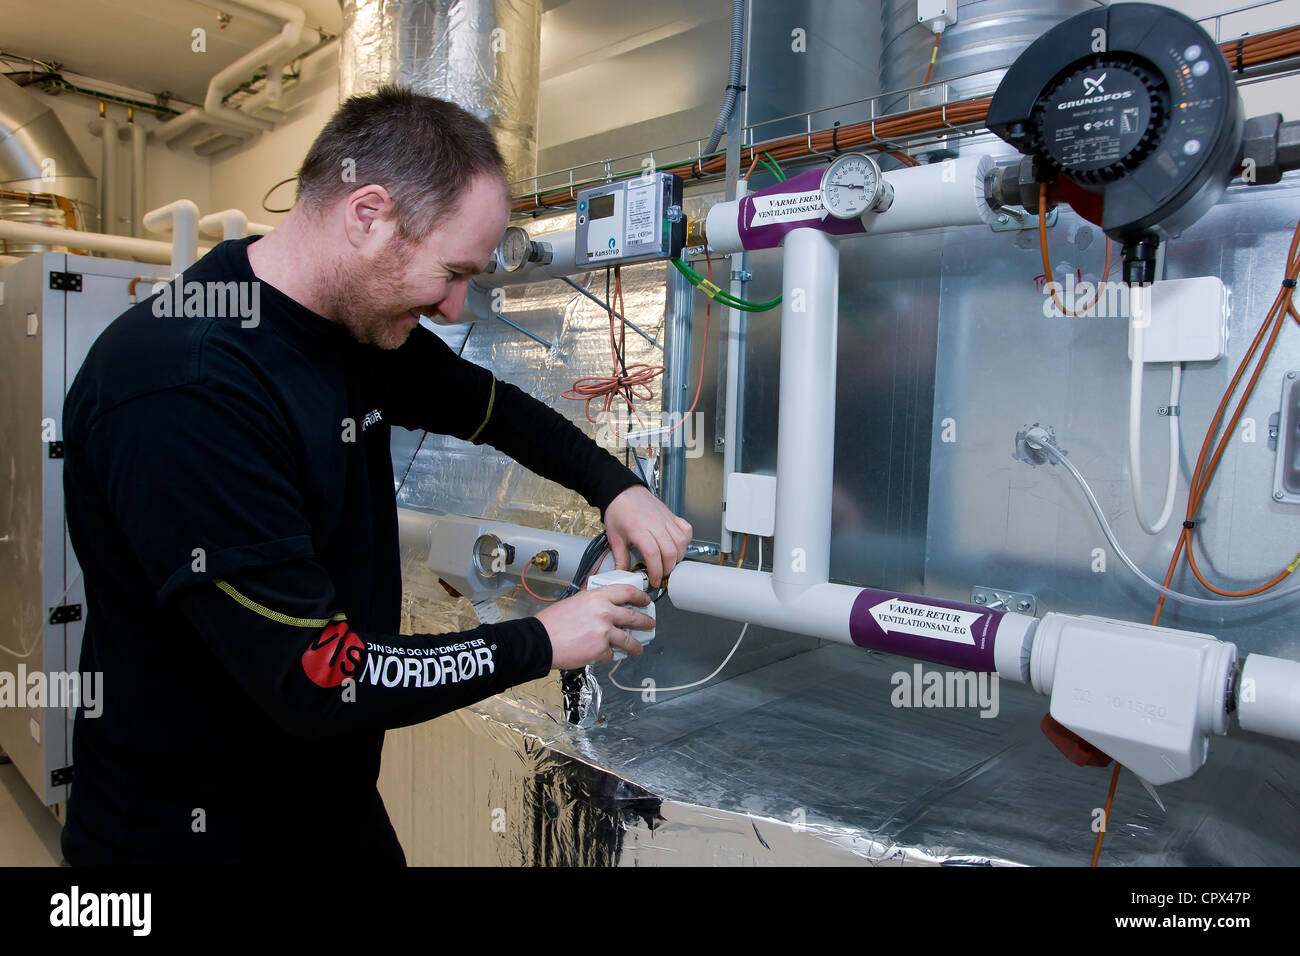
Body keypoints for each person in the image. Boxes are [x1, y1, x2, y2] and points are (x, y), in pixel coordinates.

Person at [60, 86, 693, 866]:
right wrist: (539, 640)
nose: (457, 309)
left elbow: (495, 410)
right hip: (187, 835)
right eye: (452, 272)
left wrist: (615, 486)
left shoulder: (345, 325)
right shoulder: (187, 388)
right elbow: (319, 674)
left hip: (325, 803)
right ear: (368, 214)